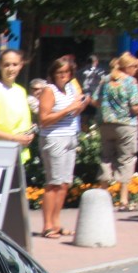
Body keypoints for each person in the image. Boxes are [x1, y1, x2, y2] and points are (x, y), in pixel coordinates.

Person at [36, 56, 86, 239]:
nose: (64, 76)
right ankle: (47, 225)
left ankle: (56, 223)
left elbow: (73, 111)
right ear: (53, 74)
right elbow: (44, 119)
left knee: (64, 183)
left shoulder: (71, 88)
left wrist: (81, 105)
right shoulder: (49, 90)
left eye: (67, 73)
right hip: (54, 139)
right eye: (60, 73)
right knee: (54, 183)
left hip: (70, 136)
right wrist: (67, 109)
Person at [96, 53, 138, 211]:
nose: (137, 69)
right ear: (127, 67)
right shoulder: (130, 82)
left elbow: (96, 100)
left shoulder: (105, 79)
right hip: (126, 124)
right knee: (126, 159)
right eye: (135, 66)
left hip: (106, 124)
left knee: (106, 157)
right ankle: (123, 199)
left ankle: (102, 193)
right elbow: (135, 106)